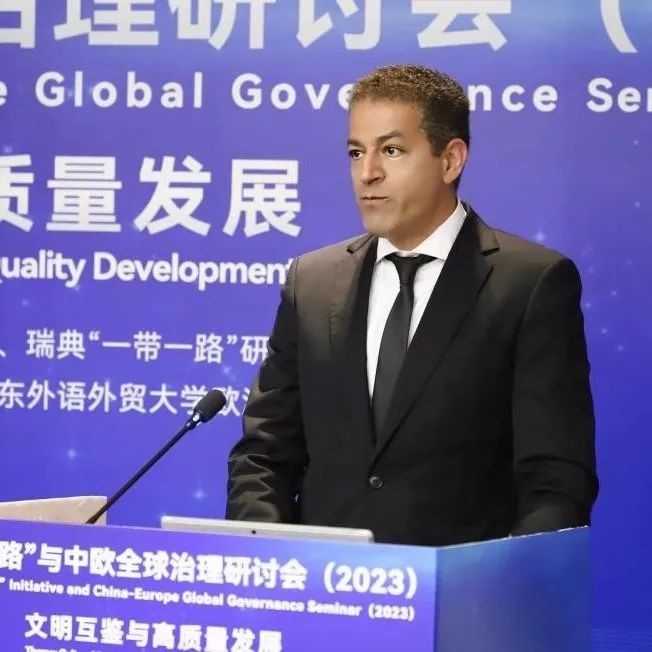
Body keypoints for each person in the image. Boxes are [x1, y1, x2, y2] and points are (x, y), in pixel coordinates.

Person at [225, 64, 598, 547]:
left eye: (391, 150)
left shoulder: (529, 284)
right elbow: (263, 455)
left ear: (451, 160)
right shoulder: (312, 283)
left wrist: (498, 581)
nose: (368, 173)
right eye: (356, 152)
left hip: (462, 588)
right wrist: (267, 561)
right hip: (322, 585)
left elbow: (555, 480)